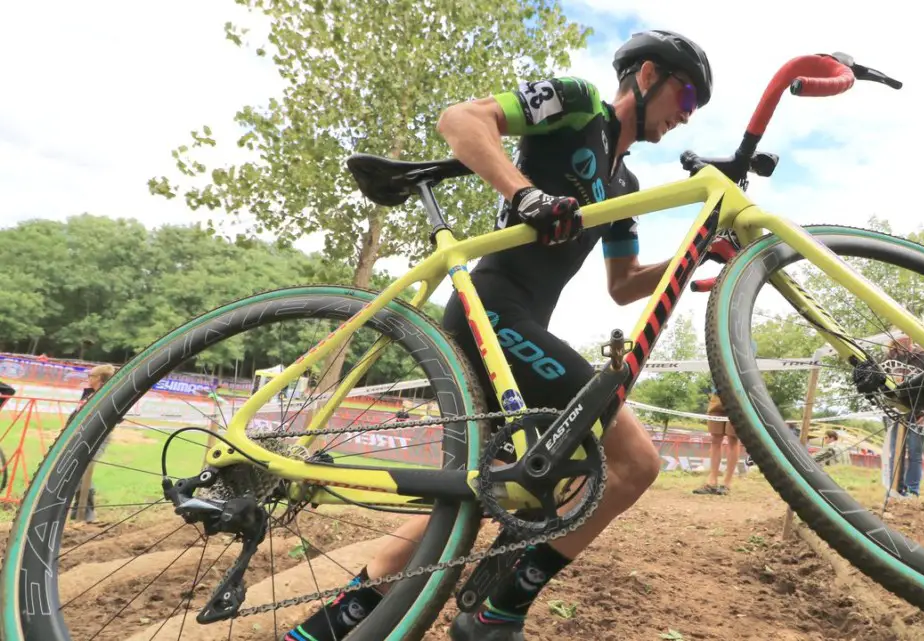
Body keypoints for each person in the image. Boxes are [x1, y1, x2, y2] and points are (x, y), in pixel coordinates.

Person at [284, 29, 715, 641]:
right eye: (688, 94)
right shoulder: (578, 103)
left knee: (478, 491)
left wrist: (696, 257)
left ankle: (337, 621)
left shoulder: (625, 190)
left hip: (518, 326)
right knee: (634, 461)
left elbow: (623, 284)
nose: (687, 115)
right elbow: (461, 118)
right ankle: (500, 610)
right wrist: (526, 195)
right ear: (647, 76)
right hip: (493, 310)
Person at [66, 364, 115, 523]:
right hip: (78, 436)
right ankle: (79, 512)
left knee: (82, 470)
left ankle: (86, 513)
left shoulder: (107, 395)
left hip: (96, 437)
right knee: (76, 470)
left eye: (91, 376)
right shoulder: (89, 394)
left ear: (99, 378)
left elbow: (113, 416)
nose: (89, 379)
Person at [883, 335, 924, 497]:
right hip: (895, 410)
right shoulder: (889, 357)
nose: (903, 336)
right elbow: (882, 385)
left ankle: (912, 491)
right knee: (895, 451)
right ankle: (895, 489)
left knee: (915, 451)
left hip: (919, 411)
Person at [693, 382, 741, 495]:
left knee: (732, 438)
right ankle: (712, 482)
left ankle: (727, 483)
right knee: (715, 438)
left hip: (738, 395)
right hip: (717, 394)